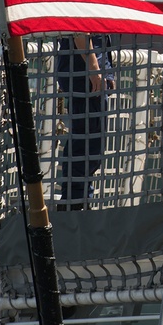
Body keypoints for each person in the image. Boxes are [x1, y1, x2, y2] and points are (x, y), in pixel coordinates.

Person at [56, 32, 115, 210]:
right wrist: (95, 70)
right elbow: (79, 32)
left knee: (90, 147)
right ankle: (74, 206)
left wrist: (106, 73)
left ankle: (79, 202)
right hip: (84, 78)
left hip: (86, 79)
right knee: (86, 147)